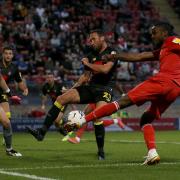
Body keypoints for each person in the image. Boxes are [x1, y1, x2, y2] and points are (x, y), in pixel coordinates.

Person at [65, 22, 180, 165]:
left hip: (164, 81)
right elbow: (140, 56)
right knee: (145, 119)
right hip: (174, 89)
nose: (152, 36)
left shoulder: (172, 40)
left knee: (123, 101)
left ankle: (81, 121)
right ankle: (152, 152)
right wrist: (115, 57)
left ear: (164, 33)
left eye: (154, 32)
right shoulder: (164, 49)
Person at [26, 29, 118, 160]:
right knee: (61, 98)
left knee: (98, 117)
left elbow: (105, 69)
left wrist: (87, 63)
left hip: (105, 90)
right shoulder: (90, 54)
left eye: (93, 39)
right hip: (91, 87)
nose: (90, 42)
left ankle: (101, 151)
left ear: (102, 38)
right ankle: (42, 132)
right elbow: (85, 77)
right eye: (89, 40)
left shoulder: (112, 52)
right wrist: (71, 89)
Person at [0, 46, 29, 156]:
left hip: (2, 95)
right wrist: (10, 94)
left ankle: (9, 149)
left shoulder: (14, 68)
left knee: (7, 120)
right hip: (5, 93)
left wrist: (24, 88)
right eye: (6, 53)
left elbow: (19, 81)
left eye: (10, 53)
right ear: (3, 54)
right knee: (6, 121)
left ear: (12, 55)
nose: (8, 55)